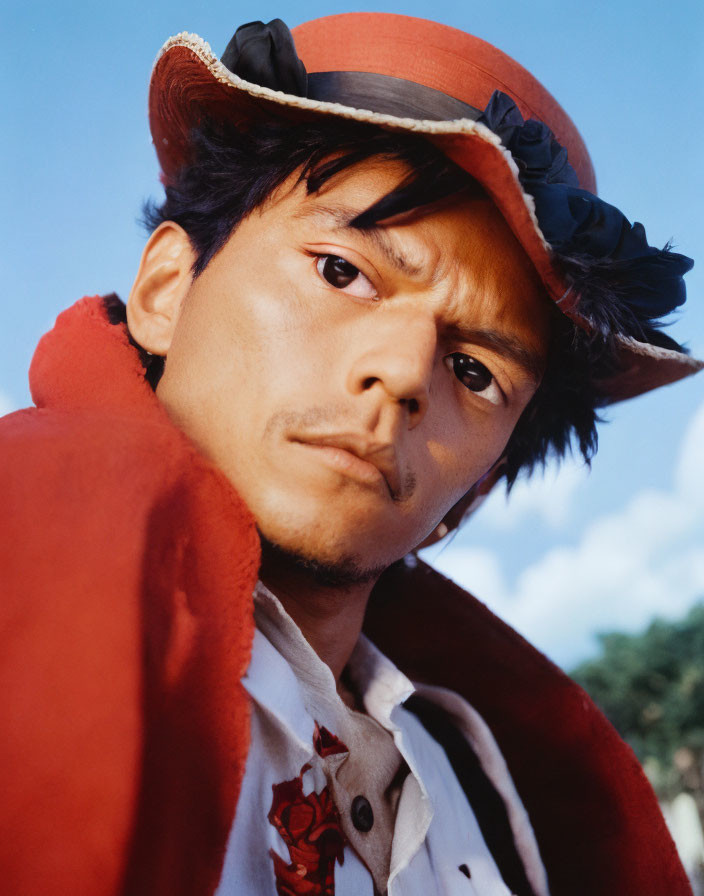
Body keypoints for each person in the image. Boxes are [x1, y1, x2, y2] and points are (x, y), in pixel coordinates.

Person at [0, 13, 700, 896]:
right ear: (166, 290)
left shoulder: (496, 801)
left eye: (475, 372)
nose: (403, 374)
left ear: (473, 494)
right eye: (341, 271)